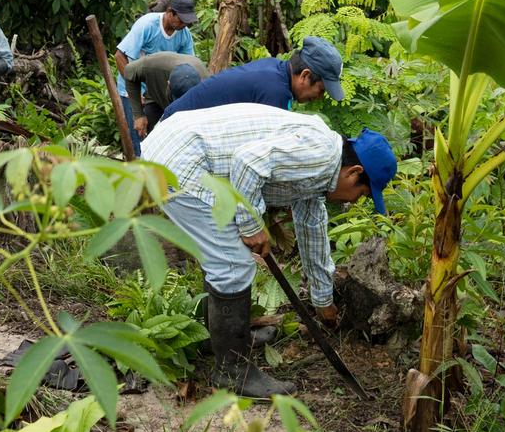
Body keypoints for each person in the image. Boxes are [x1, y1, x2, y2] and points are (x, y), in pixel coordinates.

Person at [141, 105, 397, 398]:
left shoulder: (320, 175)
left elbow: (312, 232)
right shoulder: (320, 155)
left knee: (223, 258)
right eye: (362, 195)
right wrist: (251, 225)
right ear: (354, 173)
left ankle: (219, 341)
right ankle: (232, 372)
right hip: (179, 162)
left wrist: (323, 301)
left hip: (179, 152)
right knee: (233, 265)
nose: (353, 202)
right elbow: (247, 163)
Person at [155, 36, 344, 126]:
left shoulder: (275, 67)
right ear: (304, 75)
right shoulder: (275, 92)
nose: (319, 97)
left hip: (174, 119)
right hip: (175, 129)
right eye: (321, 90)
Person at [112, 0, 198, 147]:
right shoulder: (147, 25)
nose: (185, 25)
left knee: (156, 138)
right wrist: (135, 95)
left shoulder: (184, 35)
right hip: (133, 87)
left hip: (157, 91)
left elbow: (188, 66)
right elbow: (119, 56)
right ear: (170, 13)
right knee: (138, 136)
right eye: (182, 20)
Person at [122, 52, 206, 138]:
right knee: (153, 136)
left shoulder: (207, 87)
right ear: (168, 84)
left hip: (193, 105)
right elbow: (129, 71)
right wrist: (138, 115)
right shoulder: (152, 66)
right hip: (155, 97)